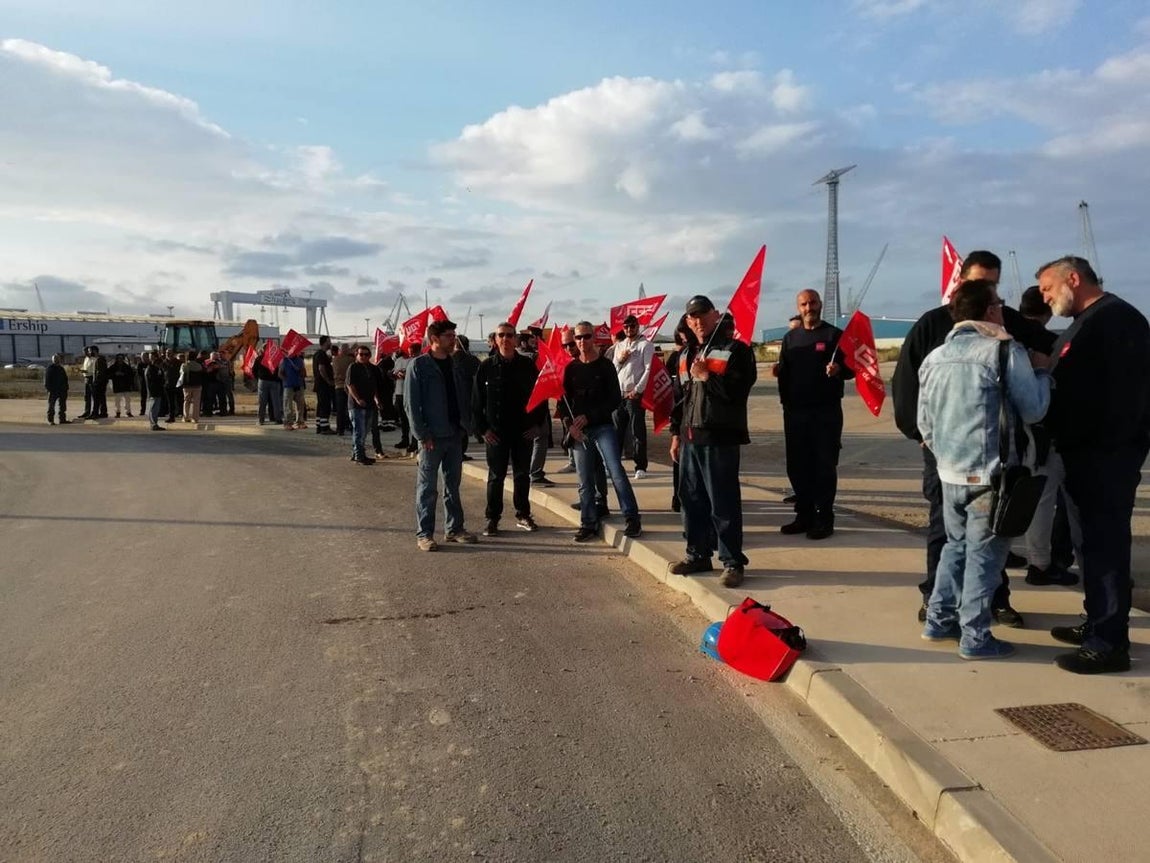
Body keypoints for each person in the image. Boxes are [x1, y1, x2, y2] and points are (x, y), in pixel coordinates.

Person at [891, 250, 1054, 627]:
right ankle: (939, 601)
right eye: (982, 284)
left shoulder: (1007, 323)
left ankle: (994, 602)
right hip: (947, 456)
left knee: (993, 537)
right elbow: (906, 386)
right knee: (950, 535)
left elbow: (1050, 343)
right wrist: (921, 436)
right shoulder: (931, 325)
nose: (990, 292)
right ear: (962, 283)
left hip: (993, 454)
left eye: (994, 285)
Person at [1038, 256, 1150, 674]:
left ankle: (1109, 645)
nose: (1044, 297)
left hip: (1105, 458)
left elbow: (1128, 396)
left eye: (1048, 288)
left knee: (1104, 547)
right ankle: (1099, 621)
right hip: (1082, 456)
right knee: (1087, 547)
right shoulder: (1084, 321)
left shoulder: (1117, 319)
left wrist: (1105, 446)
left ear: (1073, 278)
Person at [668, 296, 757, 588]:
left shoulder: (737, 351)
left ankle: (732, 562)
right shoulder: (690, 353)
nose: (697, 321)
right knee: (691, 500)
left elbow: (738, 390)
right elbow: (682, 399)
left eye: (702, 315)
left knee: (723, 503)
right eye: (692, 317)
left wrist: (707, 376)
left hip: (719, 438)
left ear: (715, 315)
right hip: (690, 437)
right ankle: (698, 554)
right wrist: (676, 434)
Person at [776, 290, 853, 540]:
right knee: (797, 466)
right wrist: (785, 403)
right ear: (798, 307)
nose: (809, 307)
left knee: (823, 467)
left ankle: (824, 518)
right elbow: (784, 375)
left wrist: (839, 369)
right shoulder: (790, 338)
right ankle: (804, 515)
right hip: (795, 413)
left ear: (819, 304)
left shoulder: (834, 335)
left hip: (825, 413)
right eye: (803, 304)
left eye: (812, 302)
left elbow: (853, 367)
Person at [1016, 285, 1078, 587]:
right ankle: (1039, 564)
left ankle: (1019, 556)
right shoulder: (1042, 343)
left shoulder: (1009, 338)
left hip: (1012, 434)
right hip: (1039, 433)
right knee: (1043, 499)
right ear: (1045, 311)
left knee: (1017, 497)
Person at [559, 321, 643, 543]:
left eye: (586, 337)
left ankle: (632, 517)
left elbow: (615, 399)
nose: (582, 342)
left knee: (615, 471)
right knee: (584, 480)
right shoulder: (571, 368)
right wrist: (571, 426)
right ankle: (587, 522)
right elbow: (563, 402)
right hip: (580, 432)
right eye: (578, 338)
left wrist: (591, 416)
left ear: (594, 338)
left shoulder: (605, 366)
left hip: (603, 427)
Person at [405, 319, 478, 551]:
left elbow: (463, 396)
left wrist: (467, 425)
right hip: (431, 437)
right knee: (427, 488)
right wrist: (421, 434)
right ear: (434, 339)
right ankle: (425, 534)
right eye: (448, 335)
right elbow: (411, 404)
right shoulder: (419, 366)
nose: (453, 339)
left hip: (454, 434)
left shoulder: (455, 364)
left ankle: (454, 528)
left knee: (452, 485)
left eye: (454, 335)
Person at [473, 322, 547, 536]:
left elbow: (540, 397)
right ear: (496, 340)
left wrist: (536, 425)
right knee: (496, 477)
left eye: (509, 335)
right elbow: (476, 402)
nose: (505, 339)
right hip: (496, 433)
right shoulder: (486, 367)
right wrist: (483, 430)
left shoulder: (527, 366)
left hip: (522, 431)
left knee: (522, 475)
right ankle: (492, 519)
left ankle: (523, 514)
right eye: (501, 335)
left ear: (515, 339)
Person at [612, 314, 655, 480]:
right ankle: (614, 464)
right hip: (619, 394)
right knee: (617, 432)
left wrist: (638, 390)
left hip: (634, 395)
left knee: (637, 431)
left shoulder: (646, 345)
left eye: (632, 326)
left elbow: (648, 370)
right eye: (626, 327)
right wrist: (621, 359)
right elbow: (614, 368)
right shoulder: (619, 345)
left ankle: (640, 466)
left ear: (638, 326)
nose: (629, 329)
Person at [665, 318, 696, 512]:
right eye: (681, 340)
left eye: (687, 339)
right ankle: (679, 497)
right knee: (680, 466)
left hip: (707, 427)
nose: (684, 344)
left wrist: (703, 376)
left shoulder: (712, 354)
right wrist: (675, 432)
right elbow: (677, 396)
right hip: (685, 424)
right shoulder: (680, 358)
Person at [346, 345, 378, 465]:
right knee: (359, 430)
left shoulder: (371, 368)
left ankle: (356, 453)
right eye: (361, 354)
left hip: (369, 404)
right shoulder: (353, 367)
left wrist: (377, 399)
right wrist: (358, 399)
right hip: (356, 405)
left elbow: (375, 386)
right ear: (356, 355)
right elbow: (350, 385)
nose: (364, 356)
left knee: (364, 430)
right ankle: (359, 455)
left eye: (366, 354)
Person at [453, 335, 481, 461]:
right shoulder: (472, 360)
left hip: (452, 397)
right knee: (465, 424)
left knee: (456, 425)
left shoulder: (448, 359)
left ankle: (456, 451)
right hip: (469, 395)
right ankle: (461, 451)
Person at [253, 346, 282, 425]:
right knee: (276, 401)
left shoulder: (259, 358)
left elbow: (254, 370)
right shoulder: (275, 358)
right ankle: (278, 419)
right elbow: (280, 369)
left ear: (262, 349)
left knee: (262, 401)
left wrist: (258, 377)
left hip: (263, 380)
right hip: (274, 381)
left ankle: (260, 420)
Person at [313, 335, 335, 434]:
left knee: (321, 405)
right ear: (325, 342)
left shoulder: (318, 354)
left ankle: (319, 425)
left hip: (319, 384)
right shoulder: (321, 354)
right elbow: (321, 368)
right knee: (325, 405)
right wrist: (328, 380)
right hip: (323, 385)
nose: (330, 343)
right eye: (329, 341)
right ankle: (325, 428)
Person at [279, 351, 308, 430]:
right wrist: (286, 380)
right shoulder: (284, 361)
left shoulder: (300, 361)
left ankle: (300, 422)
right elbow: (280, 373)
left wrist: (301, 371)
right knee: (288, 406)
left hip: (299, 385)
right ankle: (288, 423)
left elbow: (304, 373)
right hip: (288, 386)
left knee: (300, 405)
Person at [332, 343, 354, 436]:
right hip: (349, 387)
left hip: (338, 386)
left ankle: (339, 429)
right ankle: (351, 427)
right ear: (347, 350)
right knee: (350, 408)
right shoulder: (351, 360)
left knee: (340, 409)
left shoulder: (335, 359)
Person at [178, 351, 204, 423]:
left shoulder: (184, 365)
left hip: (187, 386)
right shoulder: (199, 365)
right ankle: (195, 418)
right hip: (197, 385)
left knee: (186, 401)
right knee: (196, 402)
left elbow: (181, 373)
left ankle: (186, 417)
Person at [44, 354, 70, 425]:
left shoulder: (61, 368)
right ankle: (50, 420)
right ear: (53, 360)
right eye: (55, 359)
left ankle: (62, 419)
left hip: (62, 390)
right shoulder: (50, 369)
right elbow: (47, 380)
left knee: (62, 406)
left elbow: (65, 378)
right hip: (53, 391)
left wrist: (66, 388)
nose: (57, 360)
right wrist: (49, 389)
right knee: (51, 406)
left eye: (58, 359)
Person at [144, 350, 167, 431]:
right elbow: (155, 380)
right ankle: (153, 424)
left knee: (156, 409)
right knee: (153, 408)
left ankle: (154, 423)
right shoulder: (151, 369)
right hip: (154, 392)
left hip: (157, 391)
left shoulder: (155, 369)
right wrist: (161, 376)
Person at [108, 354, 135, 418]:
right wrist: (115, 374)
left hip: (126, 385)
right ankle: (118, 412)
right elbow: (108, 374)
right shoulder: (113, 367)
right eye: (118, 358)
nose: (120, 360)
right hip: (117, 385)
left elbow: (131, 375)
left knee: (127, 400)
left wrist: (124, 374)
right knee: (117, 401)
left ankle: (128, 412)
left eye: (121, 358)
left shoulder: (127, 367)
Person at [136, 352, 150, 417]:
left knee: (151, 398)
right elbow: (139, 374)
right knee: (143, 398)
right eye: (143, 357)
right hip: (143, 384)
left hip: (150, 384)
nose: (144, 358)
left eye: (145, 356)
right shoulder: (140, 365)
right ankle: (142, 411)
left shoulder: (150, 364)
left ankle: (151, 410)